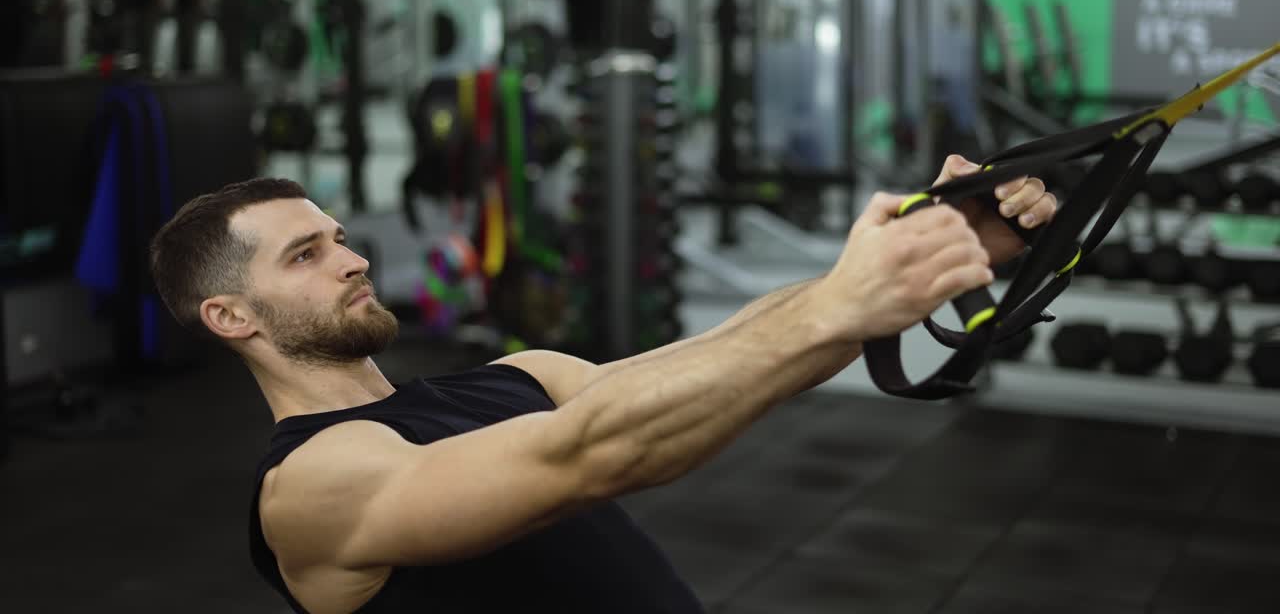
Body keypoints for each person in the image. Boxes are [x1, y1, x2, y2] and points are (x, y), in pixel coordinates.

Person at [147, 157, 1057, 614]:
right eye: (307, 255)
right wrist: (846, 301)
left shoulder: (517, 376)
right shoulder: (307, 487)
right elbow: (596, 454)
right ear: (232, 317)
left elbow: (718, 366)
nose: (351, 259)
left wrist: (937, 250)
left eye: (339, 237)